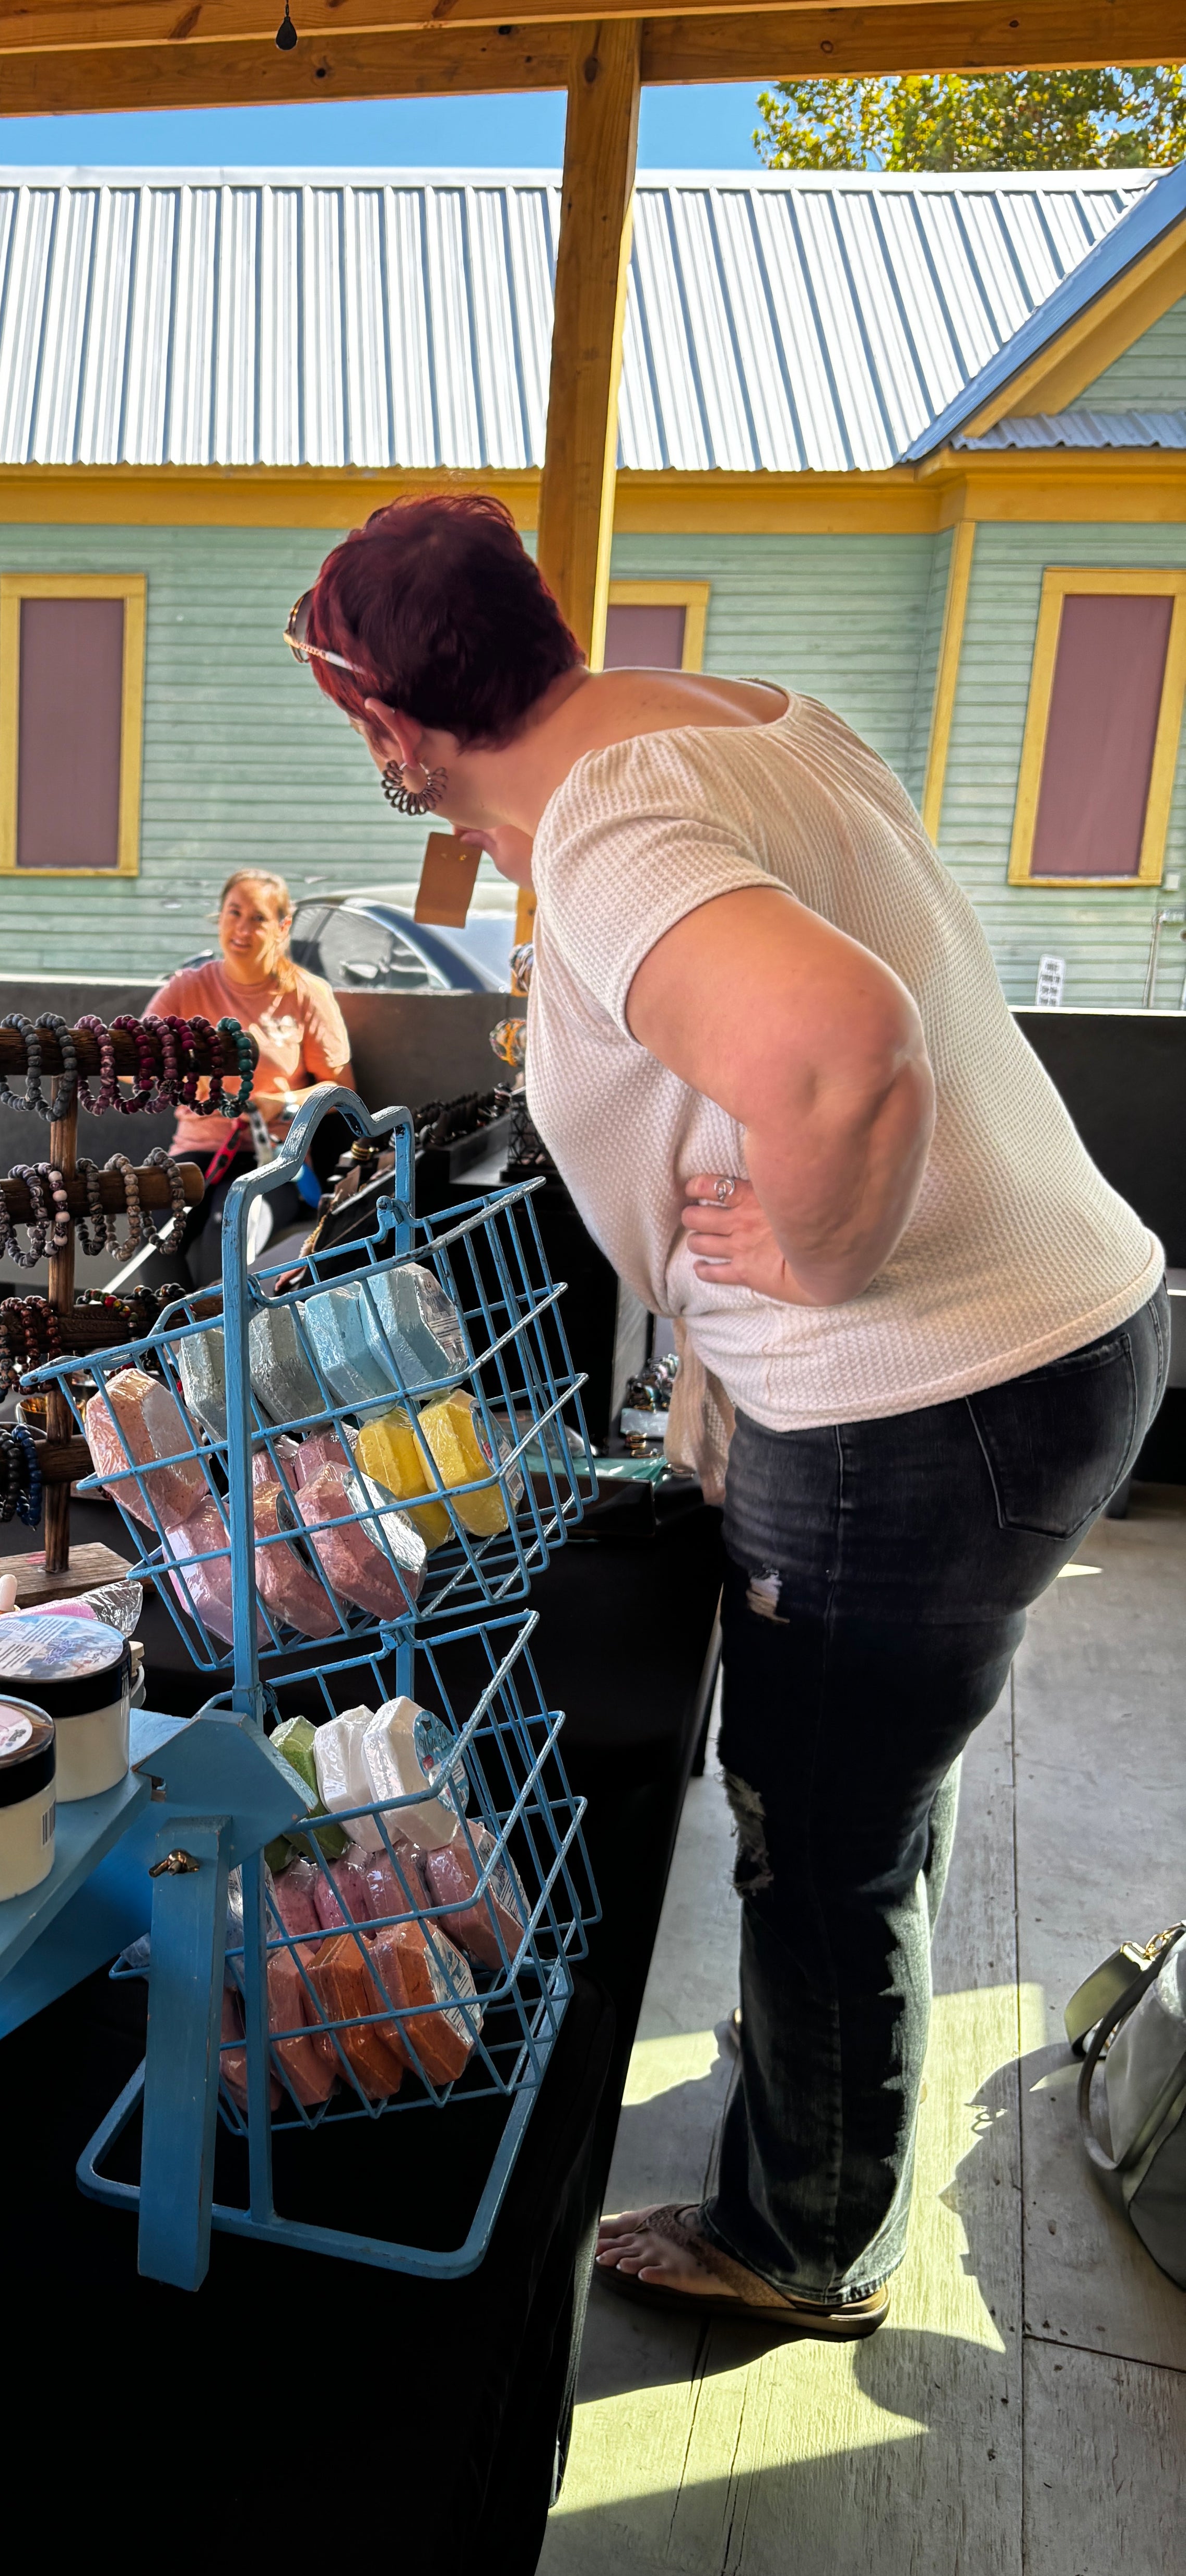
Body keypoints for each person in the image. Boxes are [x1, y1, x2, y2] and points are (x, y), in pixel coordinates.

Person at [288, 493, 1166, 2337]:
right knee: (870, 1798)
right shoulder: (742, 720)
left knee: (819, 1829)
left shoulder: (609, 839)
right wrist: (723, 1333)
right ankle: (829, 2092)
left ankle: (808, 2233)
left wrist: (817, 1259)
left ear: (385, 723)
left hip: (932, 1400)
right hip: (1068, 1331)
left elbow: (845, 1051)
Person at [144, 868, 355, 1280]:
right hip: (196, 1148)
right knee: (154, 1234)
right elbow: (136, 1065)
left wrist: (282, 1103)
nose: (242, 929)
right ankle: (165, 1343)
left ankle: (217, 1338)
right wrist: (186, 1072)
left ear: (282, 927)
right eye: (233, 913)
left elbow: (343, 1089)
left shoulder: (306, 992)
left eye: (257, 918)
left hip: (275, 1157)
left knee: (227, 1232)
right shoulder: (186, 988)